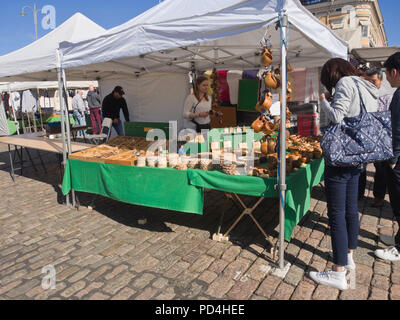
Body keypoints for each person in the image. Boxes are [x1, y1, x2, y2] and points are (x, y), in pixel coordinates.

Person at [309, 58, 379, 290]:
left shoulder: (346, 84)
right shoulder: (365, 85)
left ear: (332, 73)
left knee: (336, 213)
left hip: (340, 157)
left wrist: (323, 102)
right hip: (357, 155)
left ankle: (338, 272)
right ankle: (347, 255)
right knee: (350, 208)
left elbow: (337, 117)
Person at [375, 52, 400, 261]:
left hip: (398, 159)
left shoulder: (399, 94)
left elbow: (398, 129)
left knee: (399, 202)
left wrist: (393, 159)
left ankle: (399, 249)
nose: (386, 79)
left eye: (386, 74)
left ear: (394, 72)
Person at [357, 67, 388, 207]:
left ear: (381, 80)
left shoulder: (387, 97)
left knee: (381, 169)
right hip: (363, 137)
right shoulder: (362, 95)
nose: (370, 84)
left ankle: (379, 196)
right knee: (361, 167)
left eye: (374, 81)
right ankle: (358, 193)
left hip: (380, 140)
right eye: (367, 81)